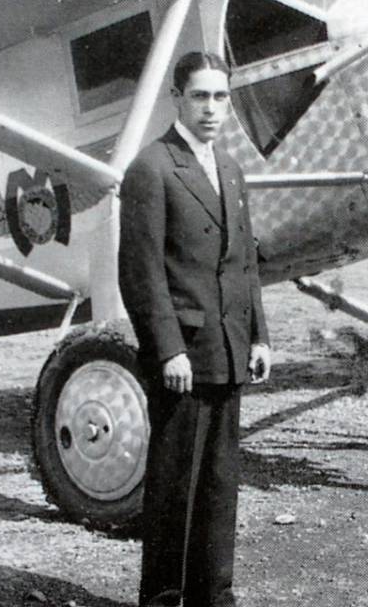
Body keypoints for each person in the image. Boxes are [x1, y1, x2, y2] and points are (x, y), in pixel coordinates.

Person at [118, 50, 271, 607]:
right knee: (174, 489)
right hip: (183, 358)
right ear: (177, 99)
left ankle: (215, 596)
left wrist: (259, 336)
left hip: (229, 351)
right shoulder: (152, 168)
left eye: (221, 96)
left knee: (219, 486)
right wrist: (167, 351)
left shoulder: (229, 168)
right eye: (201, 96)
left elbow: (245, 263)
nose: (212, 108)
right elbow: (140, 272)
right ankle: (162, 598)